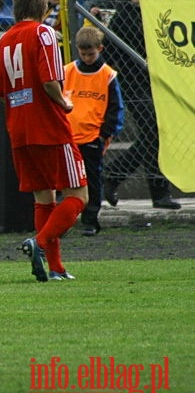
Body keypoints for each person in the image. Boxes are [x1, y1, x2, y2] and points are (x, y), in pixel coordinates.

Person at [0, 0, 89, 283]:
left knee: (43, 197)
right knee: (79, 194)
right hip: (48, 126)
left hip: (18, 129)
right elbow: (50, 81)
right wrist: (65, 102)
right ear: (43, 8)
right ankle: (41, 243)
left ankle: (56, 267)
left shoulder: (4, 41)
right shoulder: (43, 32)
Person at [103, 0, 181, 209]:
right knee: (153, 134)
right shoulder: (123, 15)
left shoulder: (160, 10)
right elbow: (110, 53)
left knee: (154, 135)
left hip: (161, 82)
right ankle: (159, 194)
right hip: (134, 85)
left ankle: (113, 175)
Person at [64, 26, 124, 237]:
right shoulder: (68, 71)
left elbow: (115, 108)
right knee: (66, 181)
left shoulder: (107, 75)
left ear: (100, 49)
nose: (88, 58)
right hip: (68, 137)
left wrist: (104, 134)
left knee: (92, 179)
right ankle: (63, 221)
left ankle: (90, 220)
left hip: (92, 137)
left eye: (91, 54)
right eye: (83, 54)